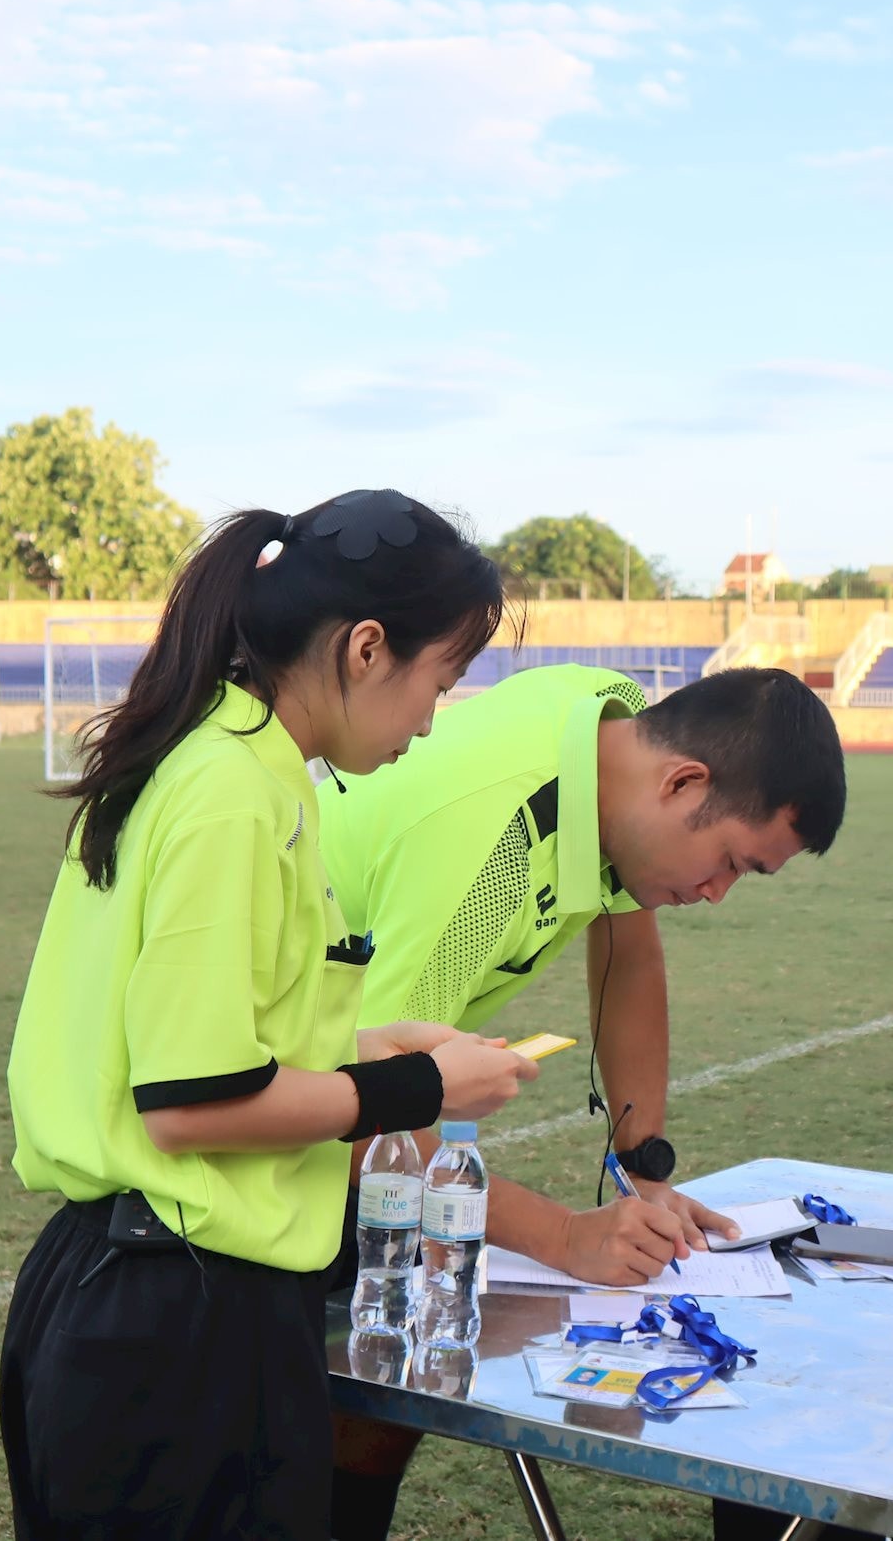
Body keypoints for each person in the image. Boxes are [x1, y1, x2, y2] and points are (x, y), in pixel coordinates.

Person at [0, 495, 543, 1541]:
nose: (435, 716)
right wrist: (423, 1089)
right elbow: (192, 1103)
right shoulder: (232, 788)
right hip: (178, 1326)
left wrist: (367, 1046)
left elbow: (194, 1035)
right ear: (366, 648)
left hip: (148, 1300)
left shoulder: (227, 758)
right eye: (441, 679)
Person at [317, 660, 847, 1541]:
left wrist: (644, 1172)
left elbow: (629, 954)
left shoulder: (617, 731)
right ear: (684, 783)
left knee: (380, 1392)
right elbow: (363, 1120)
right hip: (267, 1124)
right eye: (729, 863)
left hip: (336, 1086)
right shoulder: (483, 857)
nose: (717, 894)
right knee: (346, 1378)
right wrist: (567, 1235)